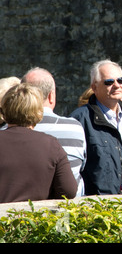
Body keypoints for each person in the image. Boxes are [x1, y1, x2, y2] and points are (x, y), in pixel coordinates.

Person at [70, 59, 122, 195]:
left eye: (120, 80)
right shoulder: (80, 119)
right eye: (109, 82)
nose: (117, 85)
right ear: (94, 87)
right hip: (99, 205)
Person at [0, 83, 77, 203]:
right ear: (38, 112)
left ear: (4, 111)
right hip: (35, 218)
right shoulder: (51, 145)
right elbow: (69, 191)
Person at [21, 67, 87, 196]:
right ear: (51, 96)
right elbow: (82, 166)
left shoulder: (10, 130)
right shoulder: (75, 128)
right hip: (72, 208)